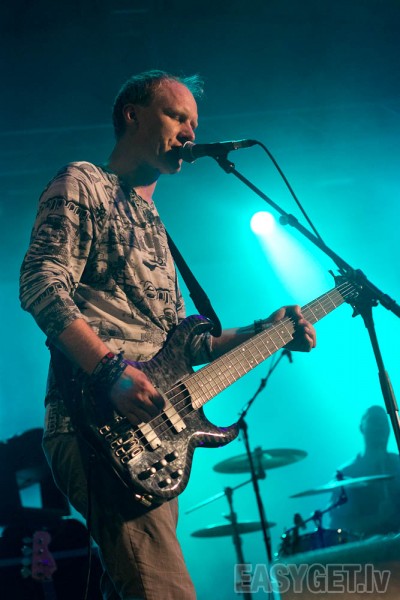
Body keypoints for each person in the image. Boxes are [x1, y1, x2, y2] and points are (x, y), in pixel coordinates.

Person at [19, 70, 317, 600]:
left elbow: (190, 344)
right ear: (132, 115)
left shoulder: (155, 222)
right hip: (96, 424)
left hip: (151, 435)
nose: (190, 132)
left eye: (194, 123)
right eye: (177, 116)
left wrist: (266, 331)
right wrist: (111, 371)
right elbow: (40, 283)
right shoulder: (84, 182)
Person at [329, 405, 400, 538]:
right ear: (361, 428)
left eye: (384, 422)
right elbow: (339, 525)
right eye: (374, 421)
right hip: (366, 547)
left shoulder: (398, 464)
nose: (380, 426)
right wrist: (377, 518)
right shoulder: (346, 473)